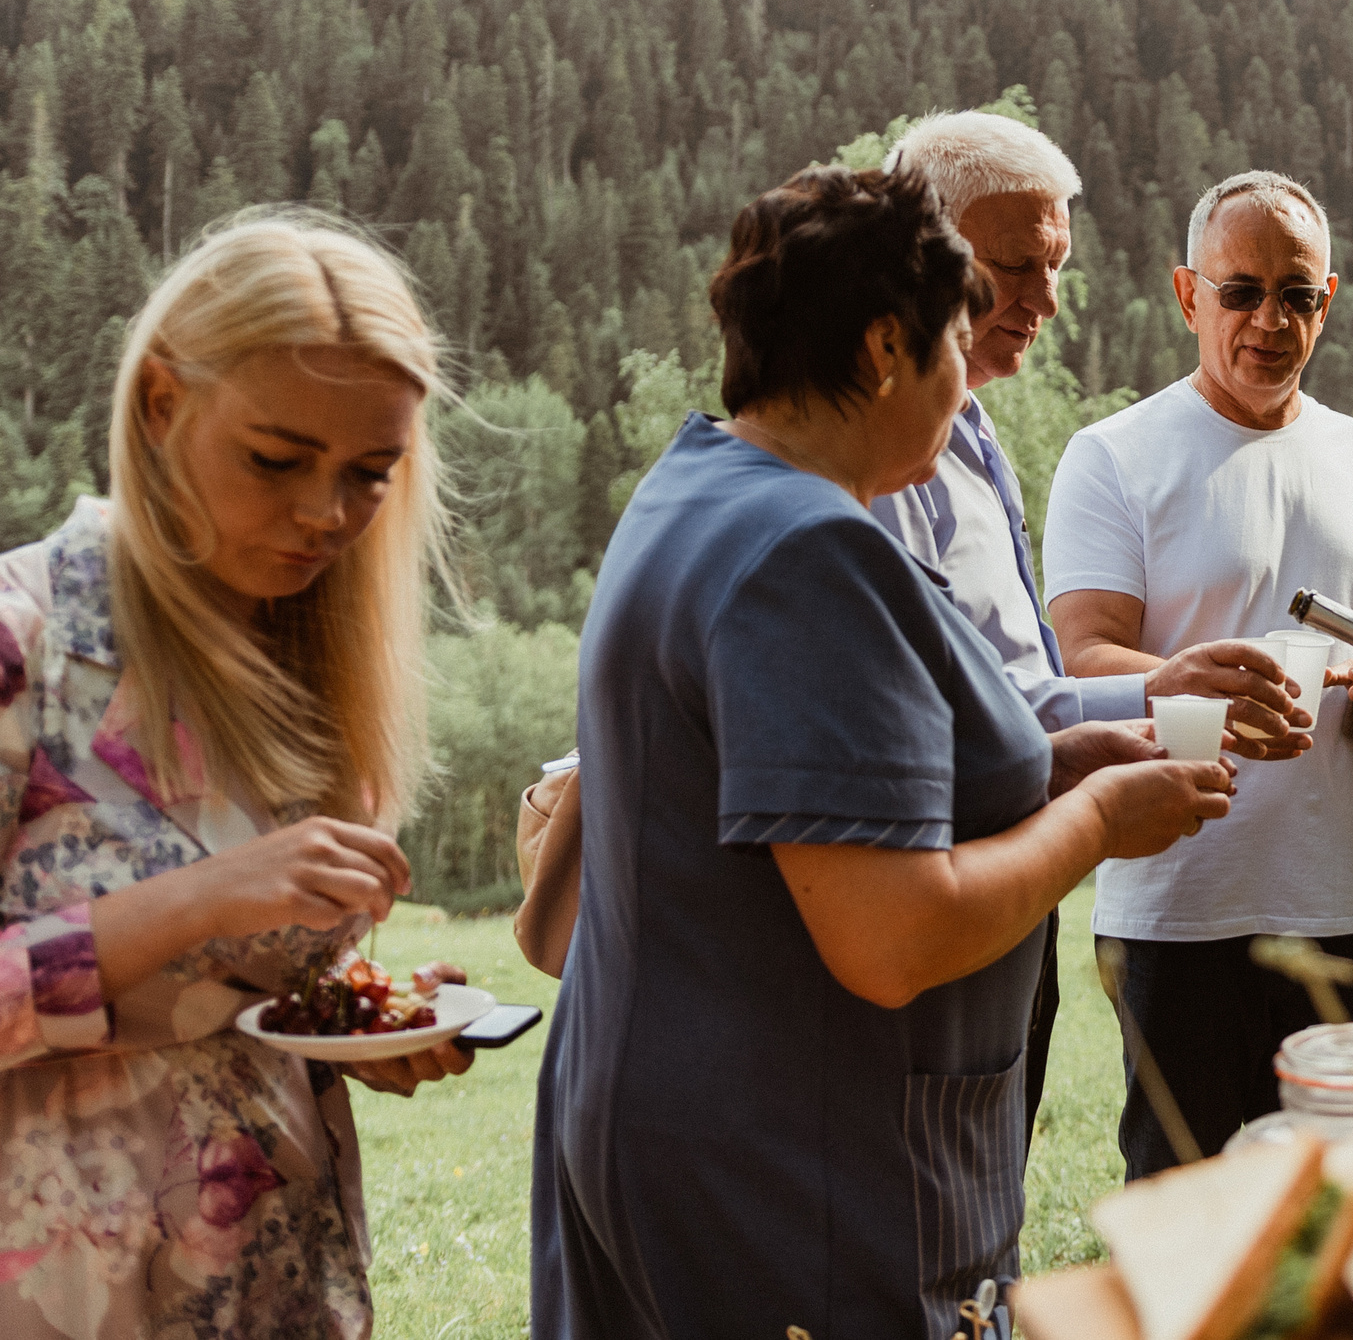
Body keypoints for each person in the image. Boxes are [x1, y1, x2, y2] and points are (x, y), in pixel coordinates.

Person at [532, 163, 1232, 1339]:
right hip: (792, 1172)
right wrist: (1102, 823)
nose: (964, 392)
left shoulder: (699, 487)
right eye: (954, 347)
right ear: (879, 352)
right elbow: (893, 936)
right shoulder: (808, 553)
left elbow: (824, 782)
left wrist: (1061, 759)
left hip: (685, 1120)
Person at [0, 212, 476, 1336]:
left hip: (286, 1293)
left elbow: (227, 1001)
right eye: (277, 459)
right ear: (161, 404)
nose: (326, 515)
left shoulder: (318, 669)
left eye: (372, 473)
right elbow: (197, 913)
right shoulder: (27, 640)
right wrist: (190, 903)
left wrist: (358, 1023)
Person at [866, 112, 1313, 1147]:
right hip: (933, 904)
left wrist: (1155, 695)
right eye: (1018, 266)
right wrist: (1118, 761)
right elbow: (932, 710)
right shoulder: (878, 458)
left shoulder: (972, 432)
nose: (1047, 301)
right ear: (922, 254)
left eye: (1056, 265)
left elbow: (1005, 686)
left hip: (1011, 903)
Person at [1045, 170, 1353, 1177]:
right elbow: (1080, 653)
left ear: (1329, 298)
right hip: (1181, 908)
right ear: (1189, 295)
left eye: (1297, 295)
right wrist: (1183, 680)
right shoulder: (1113, 456)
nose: (1270, 320)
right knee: (1191, 1211)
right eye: (1241, 292)